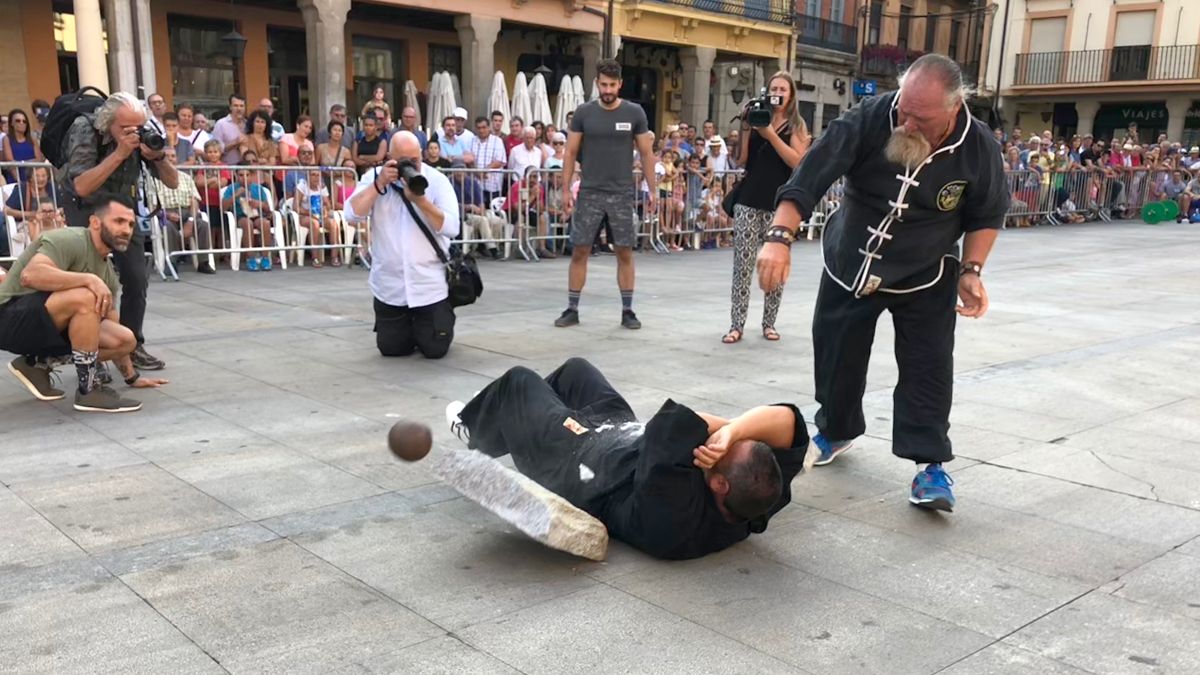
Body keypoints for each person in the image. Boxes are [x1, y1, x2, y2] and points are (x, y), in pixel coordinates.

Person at [757, 54, 1009, 512]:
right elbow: (811, 172)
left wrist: (971, 271)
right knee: (836, 354)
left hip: (925, 270)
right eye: (904, 110)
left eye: (921, 117)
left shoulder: (979, 148)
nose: (907, 122)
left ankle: (930, 466)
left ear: (955, 108)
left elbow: (988, 213)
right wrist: (779, 236)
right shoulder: (872, 118)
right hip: (850, 258)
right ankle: (835, 429)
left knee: (929, 367)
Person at [441, 357, 810, 559]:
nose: (721, 442)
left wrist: (729, 428)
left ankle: (479, 428)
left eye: (723, 450)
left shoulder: (674, 510)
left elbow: (685, 420)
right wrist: (734, 431)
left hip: (577, 459)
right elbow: (788, 420)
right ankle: (508, 415)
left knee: (518, 382)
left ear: (719, 483)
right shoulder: (755, 497)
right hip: (621, 435)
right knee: (576, 371)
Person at [0, 192, 168, 412]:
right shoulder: (69, 239)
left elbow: (112, 325)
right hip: (8, 318)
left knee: (125, 340)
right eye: (118, 221)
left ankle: (38, 364)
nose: (126, 230)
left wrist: (132, 378)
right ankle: (89, 391)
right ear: (95, 222)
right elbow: (30, 275)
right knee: (86, 297)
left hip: (42, 327)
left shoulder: (107, 272)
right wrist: (88, 279)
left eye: (130, 224)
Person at [58, 91, 176, 372]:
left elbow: (172, 182)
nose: (133, 133)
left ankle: (132, 345)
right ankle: (90, 350)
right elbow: (82, 186)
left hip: (120, 206)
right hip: (84, 206)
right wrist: (121, 153)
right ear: (108, 122)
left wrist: (158, 157)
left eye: (137, 126)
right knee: (90, 281)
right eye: (126, 128)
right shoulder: (86, 129)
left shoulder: (141, 133)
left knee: (136, 277)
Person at [557, 59, 656, 329]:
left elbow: (647, 153)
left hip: (622, 192)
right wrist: (566, 189)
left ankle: (627, 311)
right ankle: (572, 308)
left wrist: (652, 189)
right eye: (604, 84)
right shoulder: (583, 113)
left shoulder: (635, 113)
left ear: (620, 84)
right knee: (580, 250)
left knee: (624, 251)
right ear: (596, 83)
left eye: (612, 85)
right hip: (589, 191)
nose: (608, 89)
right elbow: (571, 152)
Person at [344, 131, 461, 359]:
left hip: (429, 286)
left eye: (415, 161)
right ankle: (409, 329)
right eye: (404, 161)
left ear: (422, 156)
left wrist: (421, 201)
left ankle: (437, 321)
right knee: (392, 350)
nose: (411, 166)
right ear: (390, 157)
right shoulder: (374, 179)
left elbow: (452, 227)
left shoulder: (437, 181)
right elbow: (351, 214)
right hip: (390, 287)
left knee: (434, 350)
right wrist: (379, 184)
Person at [723, 71, 812, 344]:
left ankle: (769, 323)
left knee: (775, 267)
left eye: (783, 89)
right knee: (743, 266)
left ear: (791, 94)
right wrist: (747, 126)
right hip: (749, 201)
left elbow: (798, 163)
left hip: (780, 206)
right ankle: (736, 325)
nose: (778, 93)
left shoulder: (796, 125)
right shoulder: (758, 115)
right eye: (774, 88)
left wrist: (771, 135)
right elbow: (741, 160)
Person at [150, 147, 216, 274]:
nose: (170, 159)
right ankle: (172, 262)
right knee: (167, 227)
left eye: (173, 156)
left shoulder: (186, 177)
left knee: (202, 225)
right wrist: (167, 215)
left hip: (187, 211)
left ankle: (203, 262)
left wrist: (190, 220)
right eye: (167, 156)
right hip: (166, 213)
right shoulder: (154, 178)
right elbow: (152, 206)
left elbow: (195, 200)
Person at [222, 161, 274, 271]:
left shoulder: (258, 188)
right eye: (241, 175)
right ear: (236, 176)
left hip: (256, 215)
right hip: (240, 216)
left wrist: (259, 203)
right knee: (247, 223)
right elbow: (223, 207)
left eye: (247, 175)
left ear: (252, 175)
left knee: (265, 223)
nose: (244, 178)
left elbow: (268, 208)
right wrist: (235, 195)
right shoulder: (231, 188)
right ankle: (250, 258)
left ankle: (265, 257)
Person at [450, 157, 505, 260]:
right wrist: (468, 207)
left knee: (499, 221)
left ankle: (487, 247)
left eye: (461, 170)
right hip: (462, 214)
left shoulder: (472, 182)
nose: (459, 173)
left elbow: (481, 201)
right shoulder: (449, 183)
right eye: (456, 170)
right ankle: (493, 250)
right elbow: (450, 203)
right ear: (452, 171)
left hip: (478, 212)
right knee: (483, 220)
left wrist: (481, 210)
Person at [469, 115, 507, 204]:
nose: (481, 130)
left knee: (493, 213)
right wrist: (476, 172)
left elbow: (501, 161)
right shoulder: (472, 140)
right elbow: (469, 160)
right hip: (476, 184)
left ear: (489, 127)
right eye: (478, 128)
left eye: (483, 127)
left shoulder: (497, 141)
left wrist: (485, 170)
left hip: (493, 185)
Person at [212, 94, 247, 165]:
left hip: (245, 171)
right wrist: (235, 142)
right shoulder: (221, 124)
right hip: (227, 169)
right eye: (236, 105)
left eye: (241, 106)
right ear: (230, 107)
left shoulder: (248, 124)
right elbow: (216, 149)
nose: (239, 109)